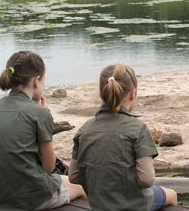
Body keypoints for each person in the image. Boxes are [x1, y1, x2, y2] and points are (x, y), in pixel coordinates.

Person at [0, 51, 86, 211]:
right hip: (31, 198)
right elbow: (49, 167)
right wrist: (43, 116)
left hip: (0, 195)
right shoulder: (39, 113)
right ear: (37, 80)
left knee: (65, 179)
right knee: (82, 186)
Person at [70, 64, 178, 211]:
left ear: (102, 93)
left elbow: (74, 177)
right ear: (133, 94)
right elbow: (146, 180)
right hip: (135, 204)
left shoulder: (84, 130)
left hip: (99, 204)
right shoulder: (138, 128)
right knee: (171, 195)